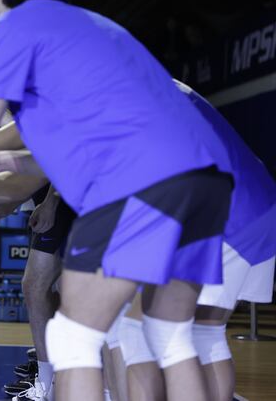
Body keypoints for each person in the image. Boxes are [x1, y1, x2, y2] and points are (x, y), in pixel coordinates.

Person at [0, 0, 233, 401]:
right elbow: (39, 148)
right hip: (205, 181)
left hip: (140, 186)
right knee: (164, 336)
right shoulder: (97, 28)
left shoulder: (17, 30)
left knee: (77, 336)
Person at [112, 81, 276, 401]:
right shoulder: (158, 85)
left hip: (230, 214)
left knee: (136, 331)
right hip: (258, 206)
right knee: (205, 331)